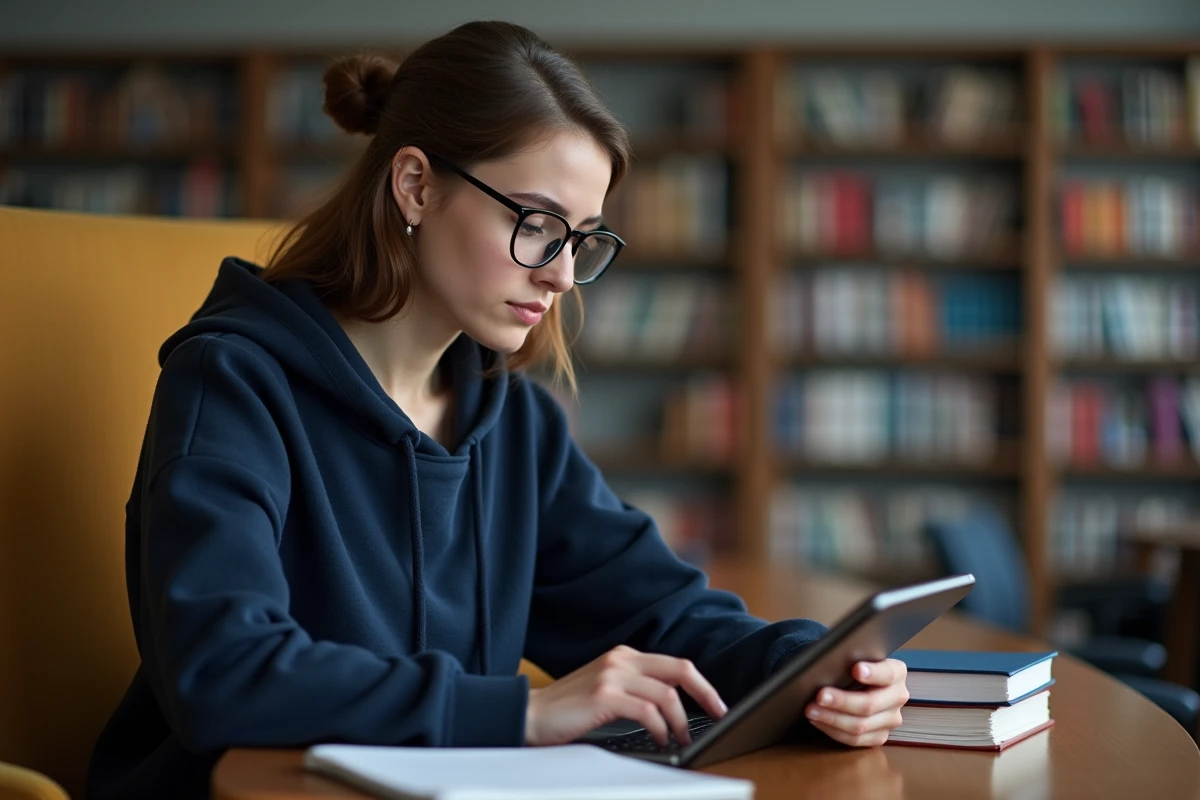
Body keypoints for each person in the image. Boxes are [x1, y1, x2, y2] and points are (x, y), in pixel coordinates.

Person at [86, 20, 909, 800]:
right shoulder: (232, 382)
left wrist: (820, 668)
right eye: (537, 223)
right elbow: (223, 669)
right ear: (415, 186)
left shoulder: (515, 426)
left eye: (581, 239)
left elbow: (665, 616)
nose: (560, 274)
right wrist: (523, 713)